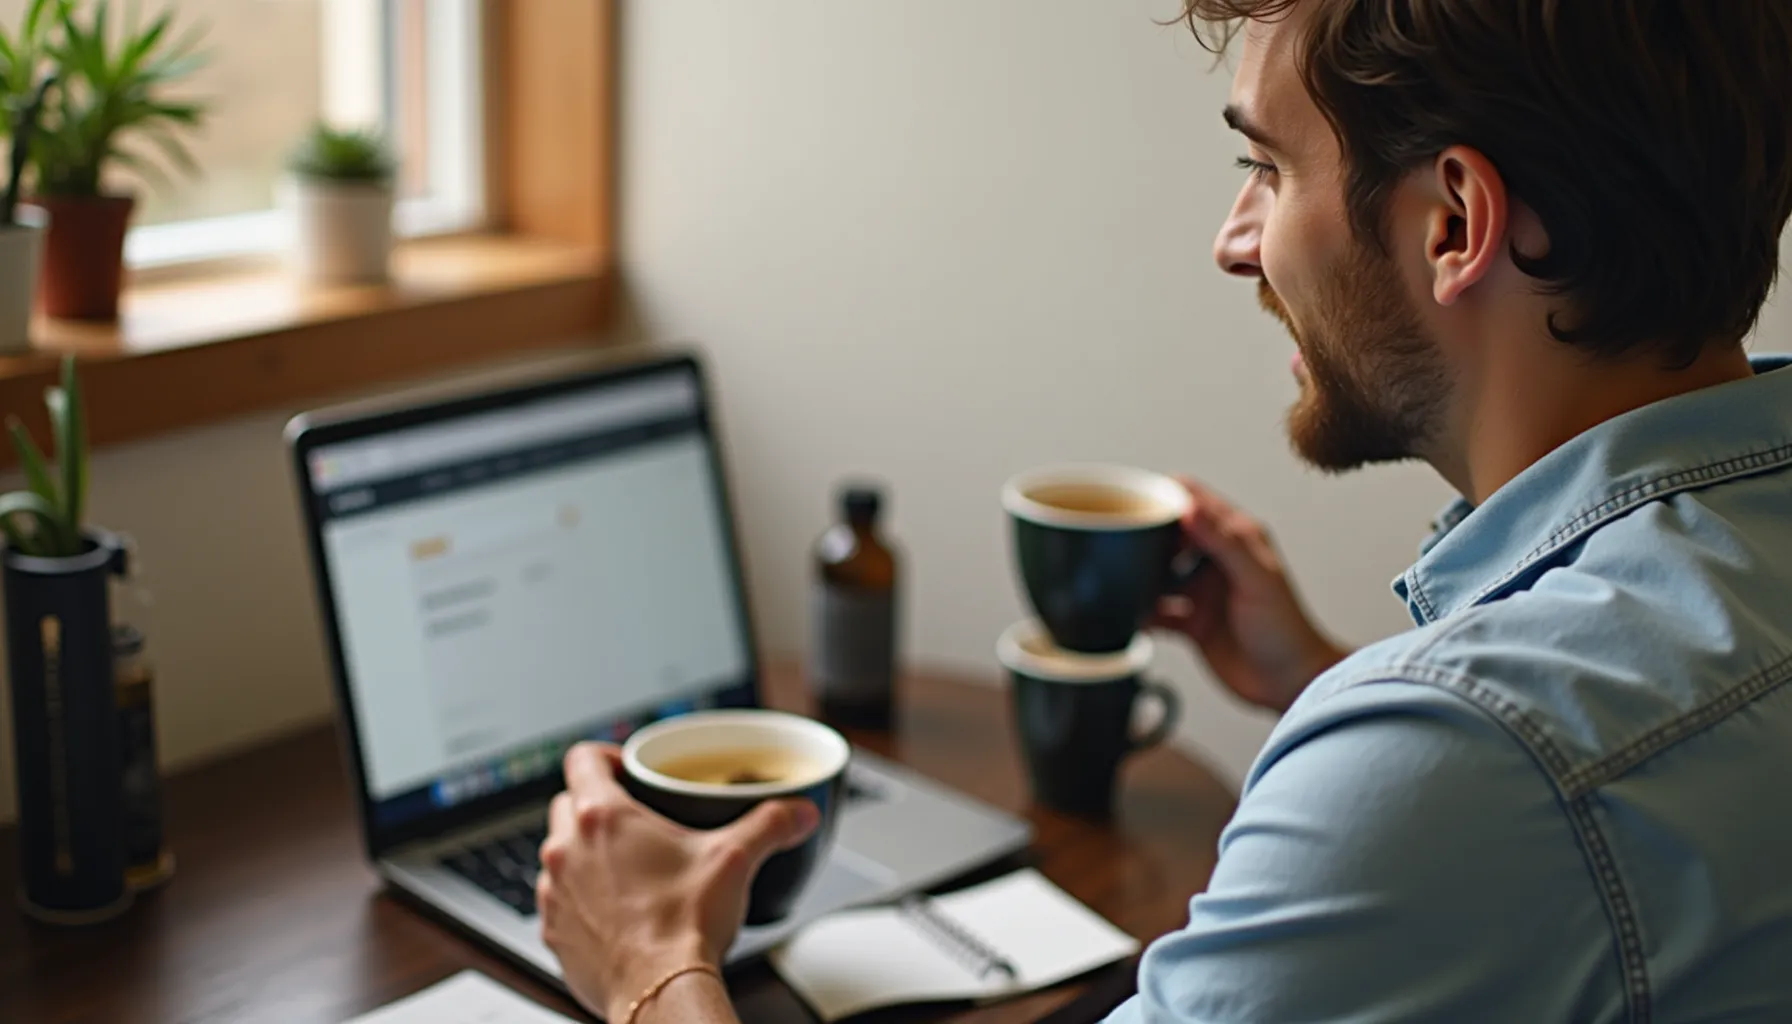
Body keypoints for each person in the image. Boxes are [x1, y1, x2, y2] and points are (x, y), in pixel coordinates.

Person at [534, 1, 1792, 1020]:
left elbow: (1517, 785)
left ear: (1455, 220)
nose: (1234, 241)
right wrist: (1320, 675)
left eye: (1264, 165)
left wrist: (652, 972)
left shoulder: (1469, 762)